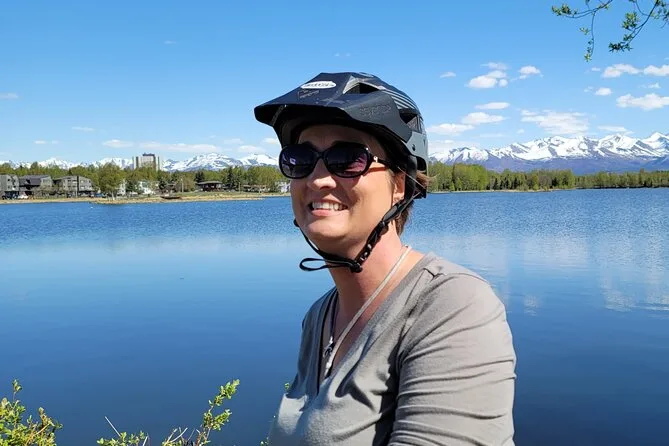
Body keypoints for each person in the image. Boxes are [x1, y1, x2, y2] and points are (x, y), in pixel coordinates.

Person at [254, 72, 516, 445]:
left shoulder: (453, 306)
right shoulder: (320, 316)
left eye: (347, 158)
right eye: (300, 158)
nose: (318, 179)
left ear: (399, 185)